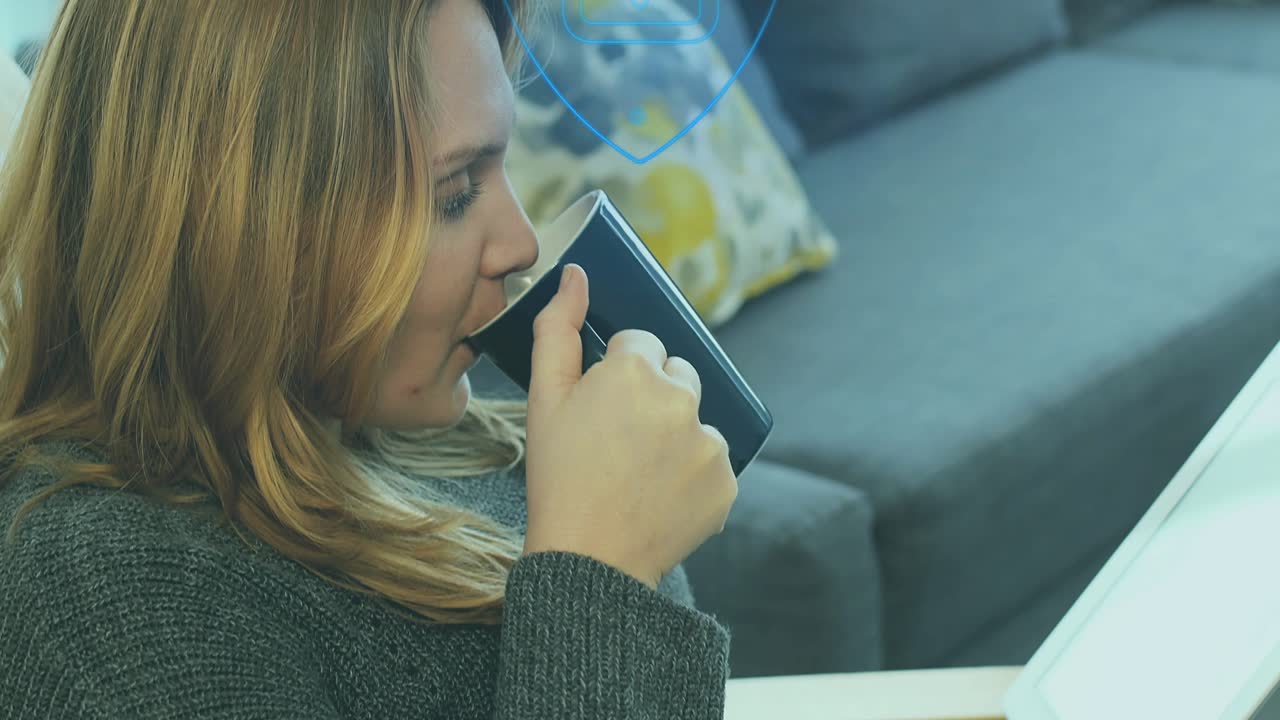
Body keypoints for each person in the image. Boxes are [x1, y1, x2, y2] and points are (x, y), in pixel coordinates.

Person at [0, 1, 738, 717]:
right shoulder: (107, 596)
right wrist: (602, 576)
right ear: (245, 229)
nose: (518, 243)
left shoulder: (425, 433)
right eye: (455, 194)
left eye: (501, 169)